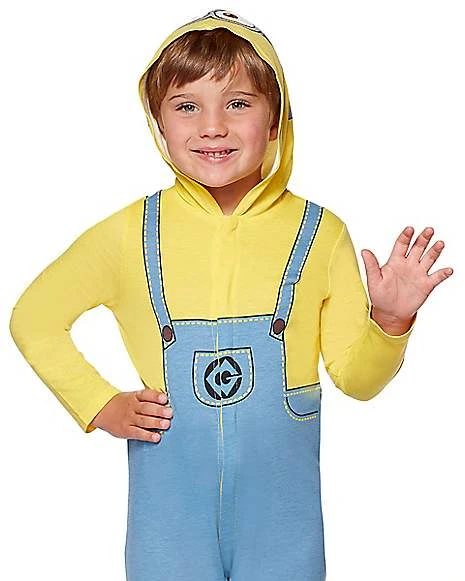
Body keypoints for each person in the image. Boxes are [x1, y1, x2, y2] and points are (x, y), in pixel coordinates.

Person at [8, 8, 453, 581]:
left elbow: (357, 382)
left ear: (276, 122)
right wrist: (100, 405)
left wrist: (389, 322)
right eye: (186, 106)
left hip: (282, 521)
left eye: (238, 103)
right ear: (158, 123)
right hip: (170, 520)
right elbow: (33, 318)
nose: (212, 126)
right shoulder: (128, 234)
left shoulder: (319, 234)